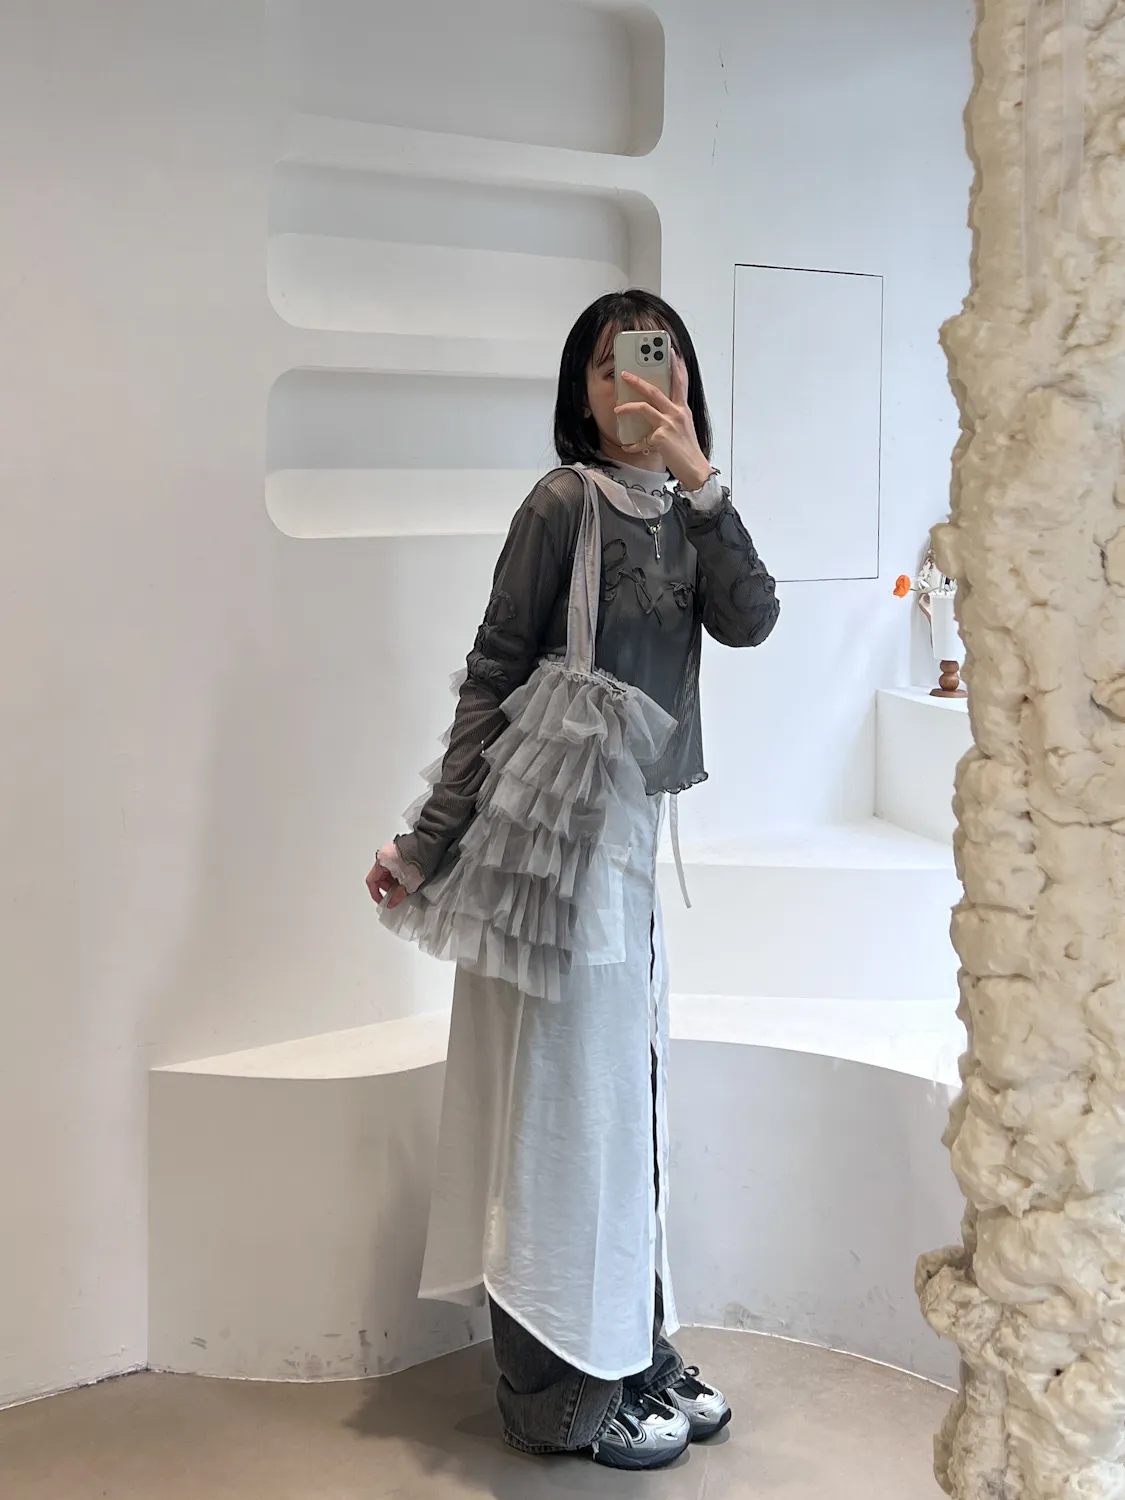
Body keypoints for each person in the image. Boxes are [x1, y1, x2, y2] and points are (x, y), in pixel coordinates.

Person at [366, 290, 779, 1470]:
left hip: (626, 844)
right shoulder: (559, 504)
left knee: (627, 1097)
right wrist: (423, 846)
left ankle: (631, 1346)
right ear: (579, 393)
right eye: (608, 366)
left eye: (655, 360)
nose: (632, 383)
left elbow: (752, 620)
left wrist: (703, 479)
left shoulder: (688, 511)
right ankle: (552, 1393)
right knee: (565, 1108)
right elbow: (493, 672)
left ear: (685, 378)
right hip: (549, 850)